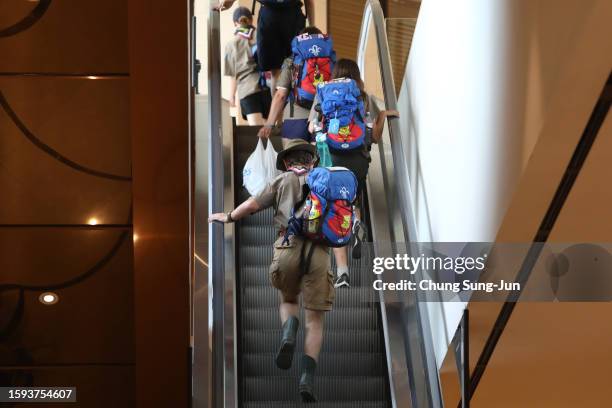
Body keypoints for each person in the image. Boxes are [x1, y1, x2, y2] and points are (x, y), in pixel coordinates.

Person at [209, 139, 333, 403]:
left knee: (288, 299)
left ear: (288, 162)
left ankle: (289, 329)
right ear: (312, 160)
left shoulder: (282, 181)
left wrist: (228, 216)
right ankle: (306, 379)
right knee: (316, 321)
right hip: (320, 252)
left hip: (287, 244)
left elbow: (252, 205)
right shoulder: (325, 182)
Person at [309, 58, 400, 288]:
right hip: (358, 160)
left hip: (332, 158)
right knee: (352, 201)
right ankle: (357, 220)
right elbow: (375, 137)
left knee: (336, 209)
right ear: (356, 75)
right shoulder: (361, 96)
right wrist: (382, 116)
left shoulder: (323, 92)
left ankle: (342, 272)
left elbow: (312, 128)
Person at [257, 26, 333, 146]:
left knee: (293, 160)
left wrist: (269, 124)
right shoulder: (331, 60)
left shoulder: (292, 60)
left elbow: (280, 95)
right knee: (320, 160)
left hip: (295, 118)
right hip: (322, 117)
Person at [214, 0, 314, 90]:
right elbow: (309, 1)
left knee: (275, 71)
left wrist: (227, 3)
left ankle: (279, 108)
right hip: (293, 16)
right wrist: (312, 27)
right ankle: (293, 104)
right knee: (295, 67)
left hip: (269, 16)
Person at [224, 7, 270, 126]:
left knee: (256, 130)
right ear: (251, 20)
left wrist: (232, 96)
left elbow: (233, 74)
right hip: (267, 87)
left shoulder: (231, 44)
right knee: (270, 131)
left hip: (247, 89)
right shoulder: (262, 37)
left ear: (235, 23)